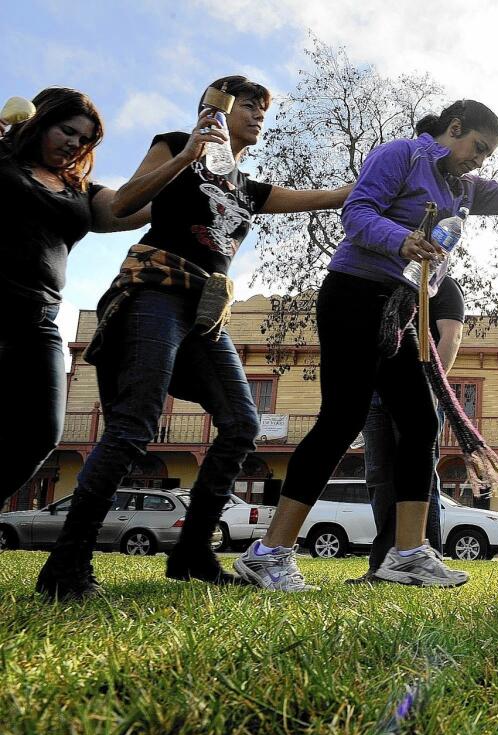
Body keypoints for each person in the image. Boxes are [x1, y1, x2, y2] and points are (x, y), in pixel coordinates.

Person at [235, 99, 498, 592]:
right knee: (342, 420)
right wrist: (400, 240)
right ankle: (268, 553)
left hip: (397, 311)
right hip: (354, 294)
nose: (479, 161)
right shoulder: (401, 155)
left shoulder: (460, 187)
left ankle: (408, 554)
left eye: (487, 156)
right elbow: (356, 212)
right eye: (478, 148)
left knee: (421, 421)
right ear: (454, 128)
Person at [36, 76, 352, 600]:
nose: (257, 116)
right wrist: (188, 154)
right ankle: (67, 562)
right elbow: (122, 205)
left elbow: (332, 196)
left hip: (207, 312)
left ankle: (192, 553)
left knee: (241, 423)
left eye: (262, 110)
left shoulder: (247, 189)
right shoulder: (173, 144)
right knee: (134, 423)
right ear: (216, 108)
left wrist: (382, 184)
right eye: (247, 105)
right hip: (155, 292)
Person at [0, 87, 150, 513]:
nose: (75, 144)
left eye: (85, 140)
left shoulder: (80, 190)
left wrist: (183, 168)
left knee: (39, 435)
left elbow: (128, 207)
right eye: (67, 130)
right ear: (39, 121)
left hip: (38, 319)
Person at [347, 274, 465, 585]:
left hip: (416, 390)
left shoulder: (444, 287)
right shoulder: (382, 285)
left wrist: (426, 386)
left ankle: (427, 562)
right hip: (373, 394)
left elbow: (450, 337)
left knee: (419, 477)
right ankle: (382, 567)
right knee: (379, 478)